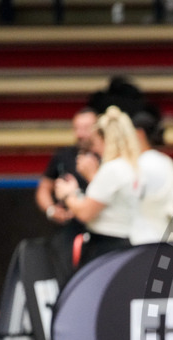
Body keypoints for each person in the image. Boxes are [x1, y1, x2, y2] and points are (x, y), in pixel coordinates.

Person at [54, 106, 143, 266]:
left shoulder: (112, 169)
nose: (93, 147)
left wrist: (68, 194)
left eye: (95, 141)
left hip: (106, 247)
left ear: (106, 139)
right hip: (123, 242)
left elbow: (85, 213)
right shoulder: (128, 166)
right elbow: (103, 203)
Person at [36, 108, 98, 273]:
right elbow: (44, 187)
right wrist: (51, 210)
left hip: (100, 227)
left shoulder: (108, 156)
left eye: (85, 128)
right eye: (76, 128)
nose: (80, 133)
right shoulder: (64, 155)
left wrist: (72, 194)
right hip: (69, 228)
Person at [131, 111, 173, 245]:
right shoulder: (166, 161)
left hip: (141, 241)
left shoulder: (138, 165)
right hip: (165, 240)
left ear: (138, 134)